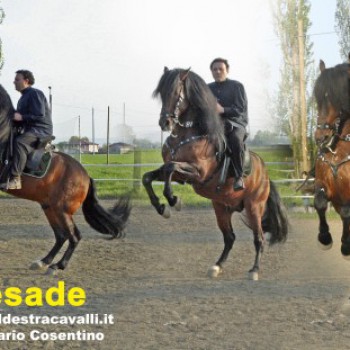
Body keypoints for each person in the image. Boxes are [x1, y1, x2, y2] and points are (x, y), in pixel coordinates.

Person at [0, 70, 53, 190]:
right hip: (30, 129)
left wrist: (22, 117)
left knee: (20, 142)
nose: (14, 82)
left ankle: (15, 179)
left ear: (26, 81)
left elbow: (40, 115)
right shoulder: (23, 97)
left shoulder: (35, 93)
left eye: (17, 79)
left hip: (40, 130)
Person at [208, 58, 248, 191]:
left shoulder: (237, 86)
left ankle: (239, 176)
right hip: (215, 125)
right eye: (215, 69)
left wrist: (223, 110)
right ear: (211, 72)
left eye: (221, 69)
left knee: (235, 140)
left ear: (227, 70)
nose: (218, 71)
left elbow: (240, 109)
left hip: (236, 124)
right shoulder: (207, 89)